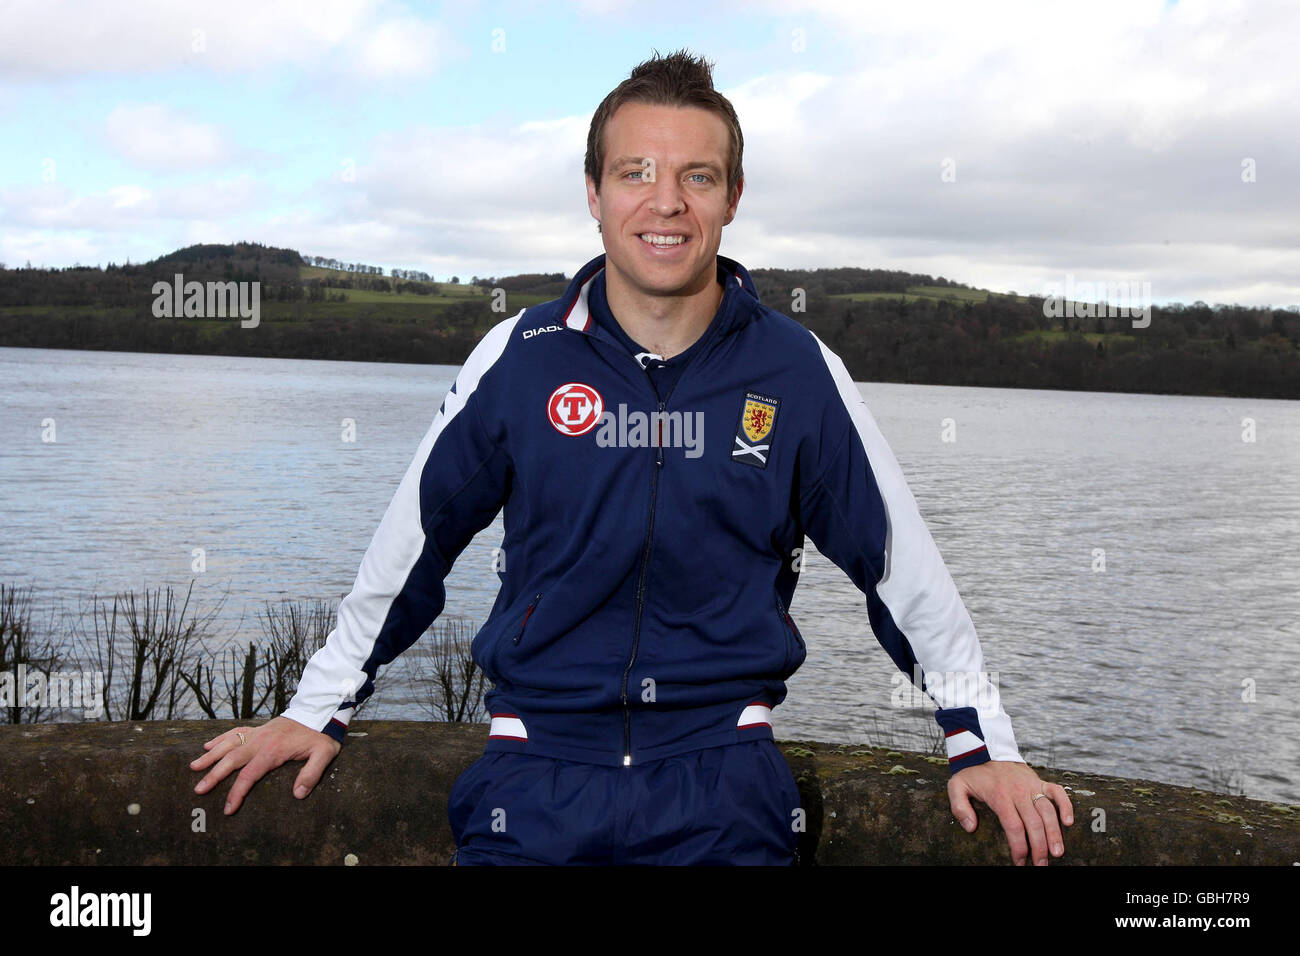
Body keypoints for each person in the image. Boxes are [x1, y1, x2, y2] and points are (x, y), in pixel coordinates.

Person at [191, 48, 1073, 866]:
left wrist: (982, 743)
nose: (666, 202)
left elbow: (902, 570)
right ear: (594, 191)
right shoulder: (520, 356)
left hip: (723, 786)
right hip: (531, 781)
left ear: (733, 196)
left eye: (697, 176)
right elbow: (413, 546)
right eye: (635, 173)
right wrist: (315, 709)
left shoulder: (797, 371)